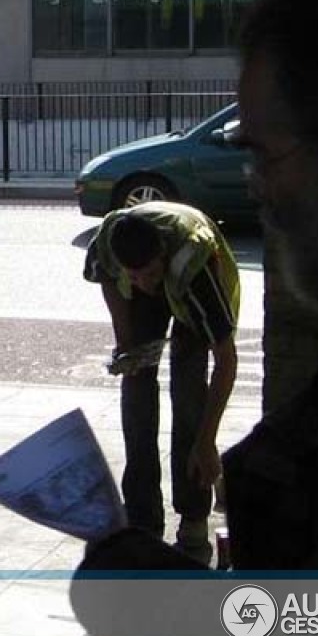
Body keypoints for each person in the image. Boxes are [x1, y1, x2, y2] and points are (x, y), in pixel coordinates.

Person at [72, 0, 318, 636]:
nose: (258, 189)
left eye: (265, 155)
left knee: (186, 391)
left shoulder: (196, 261)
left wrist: (179, 608)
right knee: (143, 391)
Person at [83, 202, 240, 564]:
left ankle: (193, 521)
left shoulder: (195, 269)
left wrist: (206, 440)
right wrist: (127, 345)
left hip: (189, 291)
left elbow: (226, 361)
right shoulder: (108, 244)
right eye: (135, 276)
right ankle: (142, 520)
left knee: (189, 396)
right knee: (136, 391)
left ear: (162, 255)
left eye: (151, 273)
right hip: (143, 287)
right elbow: (108, 279)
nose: (146, 284)